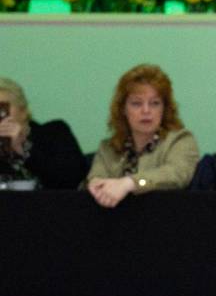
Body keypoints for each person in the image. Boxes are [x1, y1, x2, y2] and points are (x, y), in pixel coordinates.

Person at [86, 65, 198, 208]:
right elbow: (96, 178)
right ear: (123, 110)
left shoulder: (180, 140)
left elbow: (176, 175)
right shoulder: (109, 147)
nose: (146, 111)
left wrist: (131, 183)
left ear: (164, 109)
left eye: (154, 103)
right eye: (136, 103)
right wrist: (96, 185)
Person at [0, 77, 87, 189]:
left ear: (23, 111)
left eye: (2, 109)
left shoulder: (55, 133)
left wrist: (23, 149)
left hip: (51, 205)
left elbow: (74, 182)